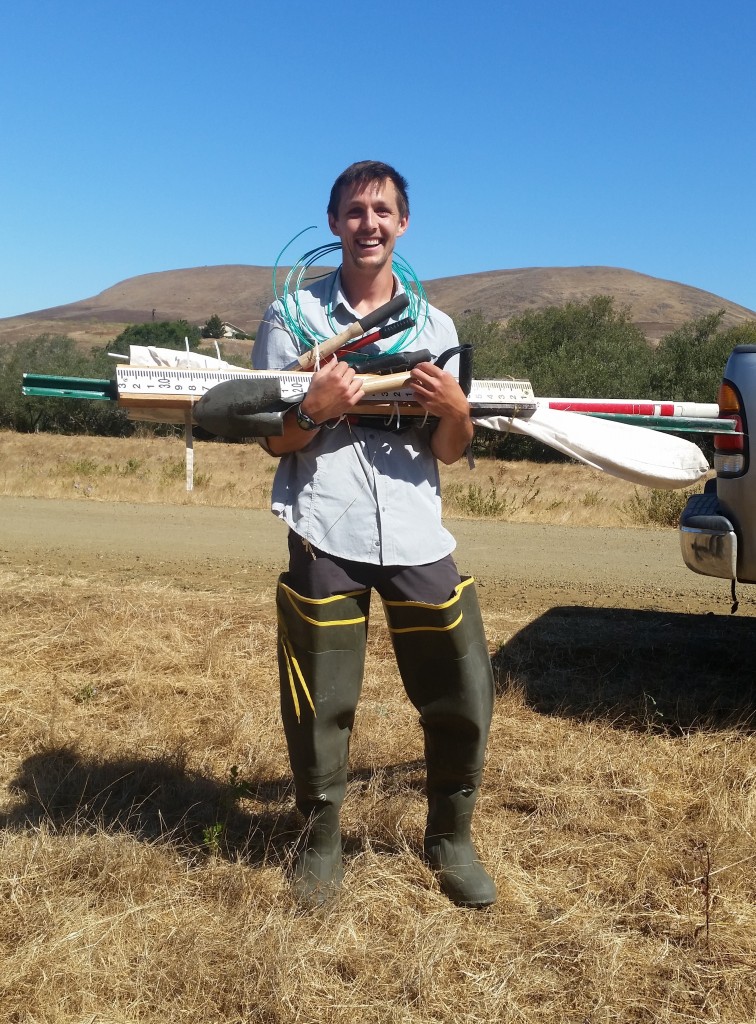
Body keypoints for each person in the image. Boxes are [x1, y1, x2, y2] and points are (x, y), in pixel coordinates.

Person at [252, 160, 496, 909]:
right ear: (333, 224)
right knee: (321, 697)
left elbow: (448, 450)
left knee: (462, 684)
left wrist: (456, 410)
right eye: (355, 211)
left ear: (404, 224)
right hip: (326, 524)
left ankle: (450, 837)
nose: (369, 223)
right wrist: (314, 408)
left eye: (383, 210)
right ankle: (319, 842)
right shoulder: (291, 321)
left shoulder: (438, 326)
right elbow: (273, 442)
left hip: (419, 532)